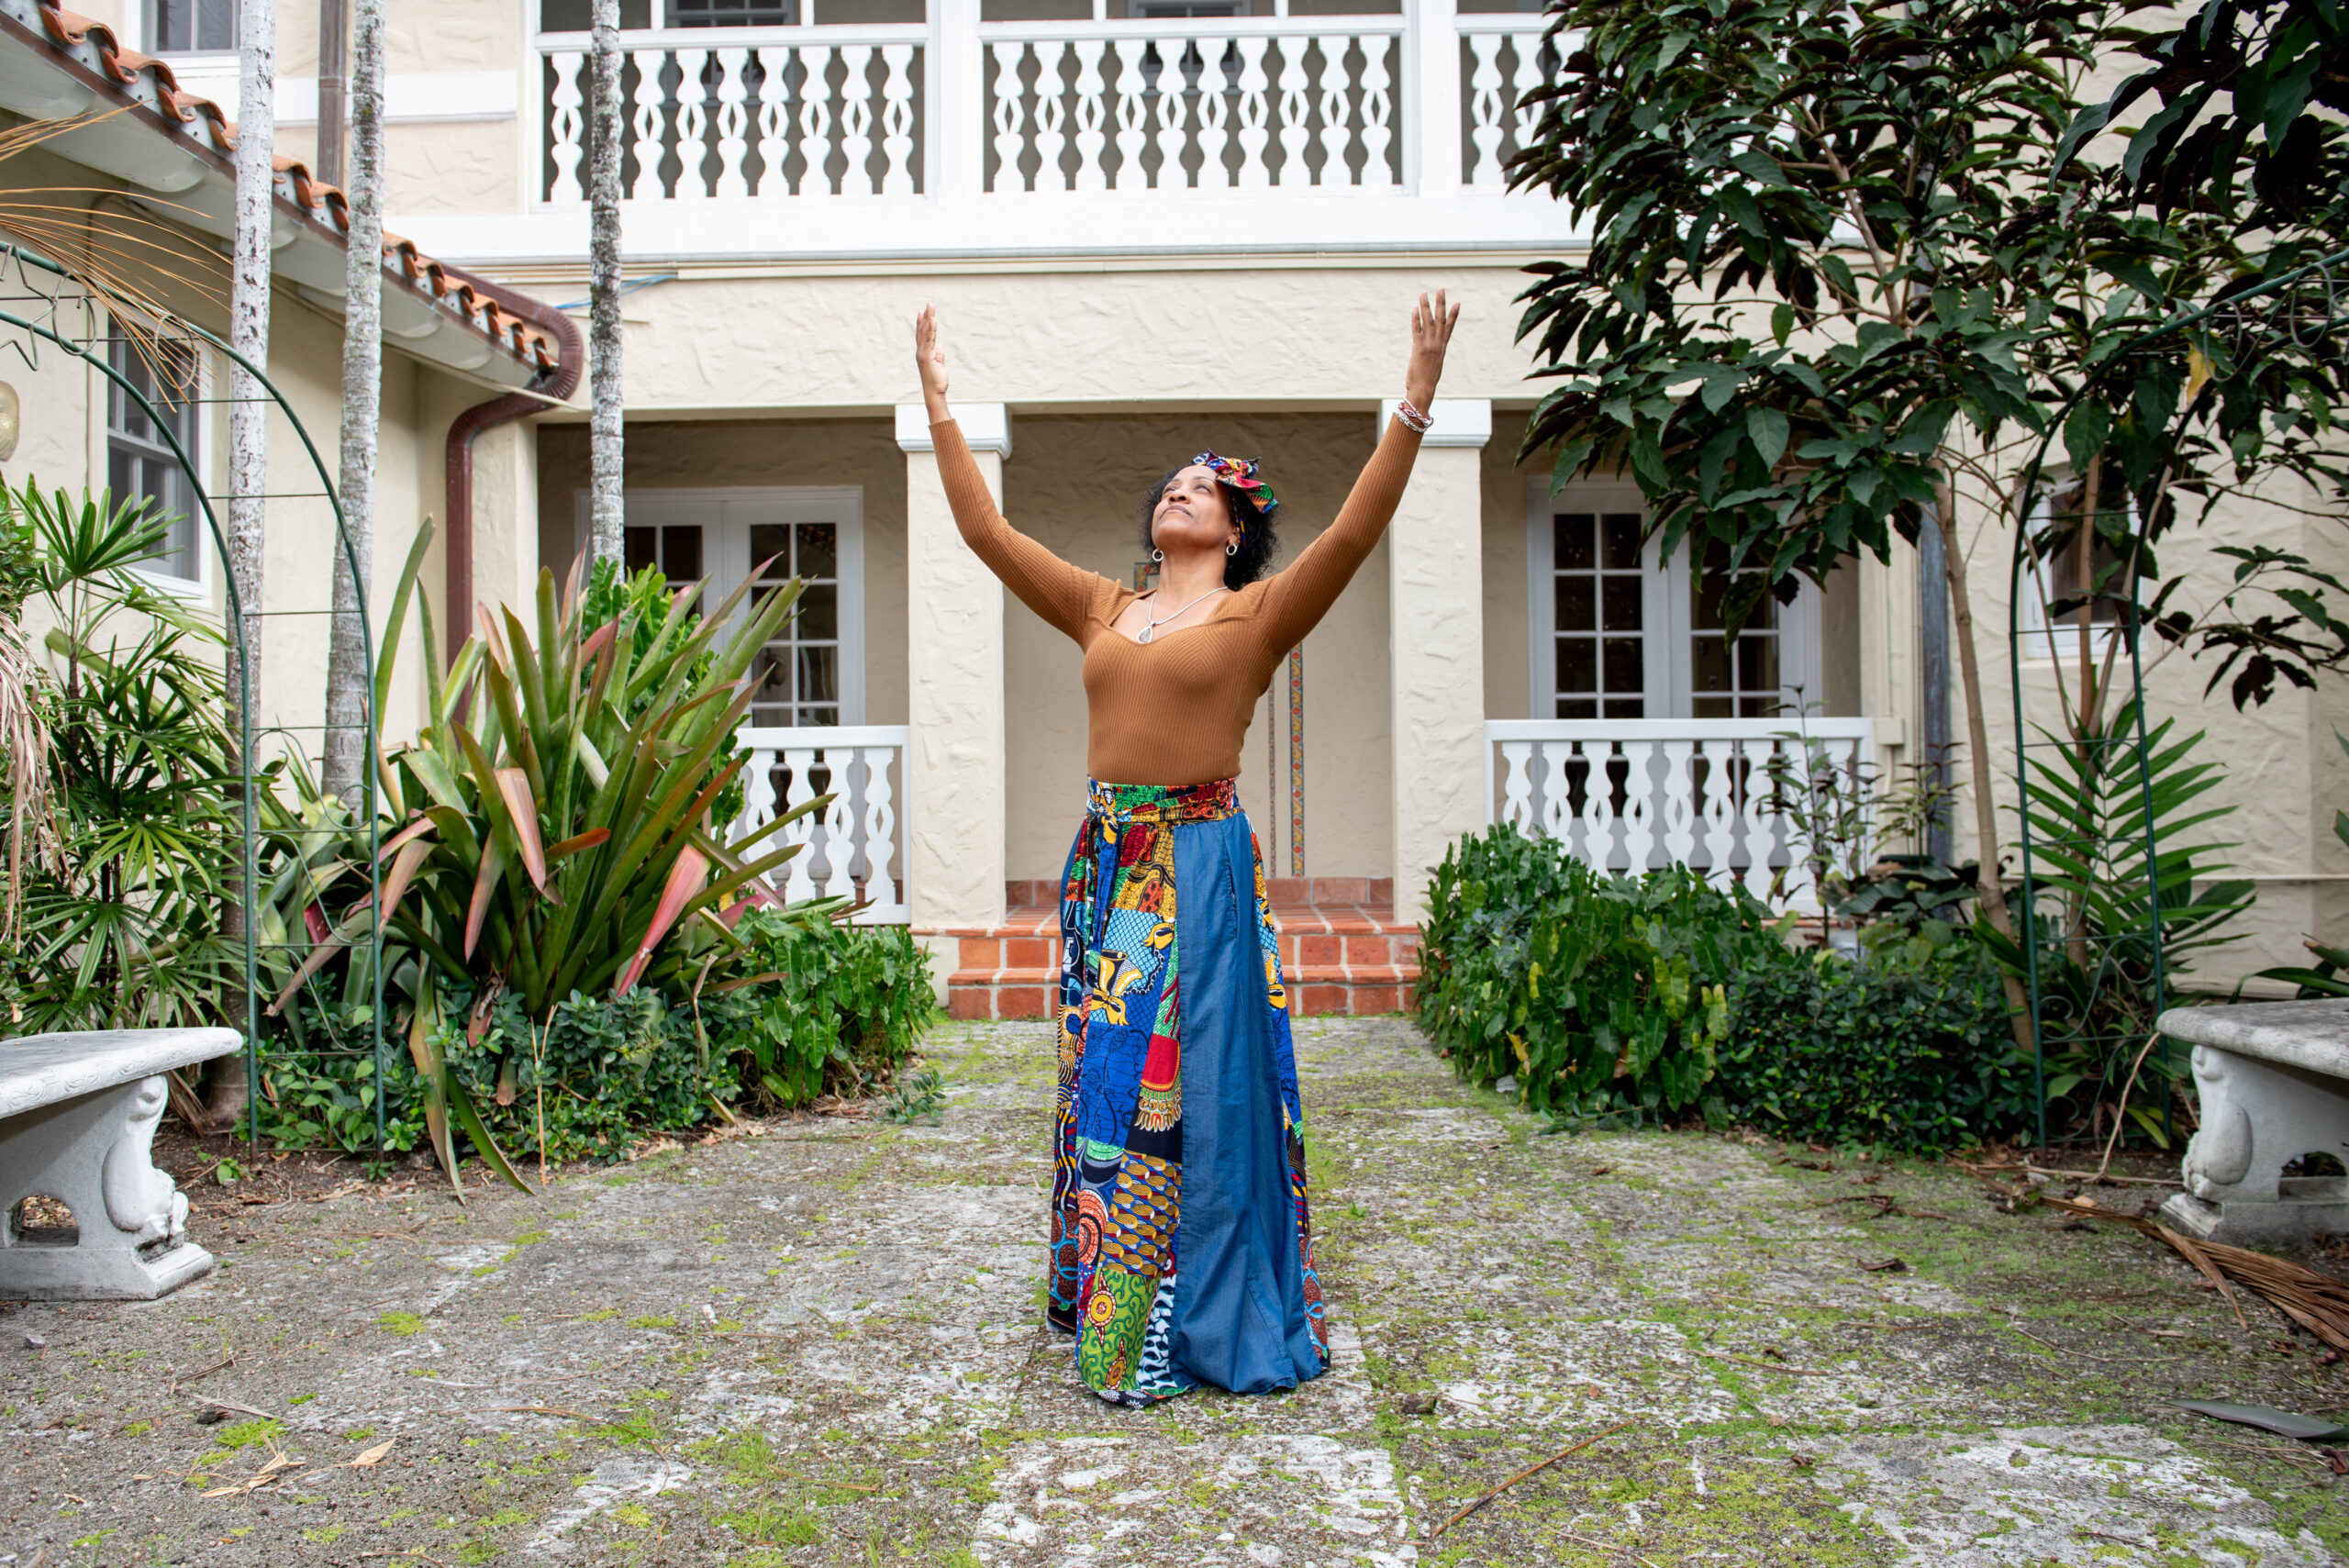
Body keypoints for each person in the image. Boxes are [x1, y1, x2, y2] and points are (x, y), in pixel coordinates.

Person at [911, 294, 1461, 1405]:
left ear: (1235, 527)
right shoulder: (1102, 606)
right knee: (1110, 1084)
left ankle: (1192, 1311)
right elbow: (986, 535)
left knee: (1191, 1083)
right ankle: (1112, 1306)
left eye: (1201, 488)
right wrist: (938, 408)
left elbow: (1354, 534)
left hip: (1198, 862)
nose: (1177, 490)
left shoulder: (1257, 614)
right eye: (1170, 484)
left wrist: (1413, 401)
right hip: (1109, 862)